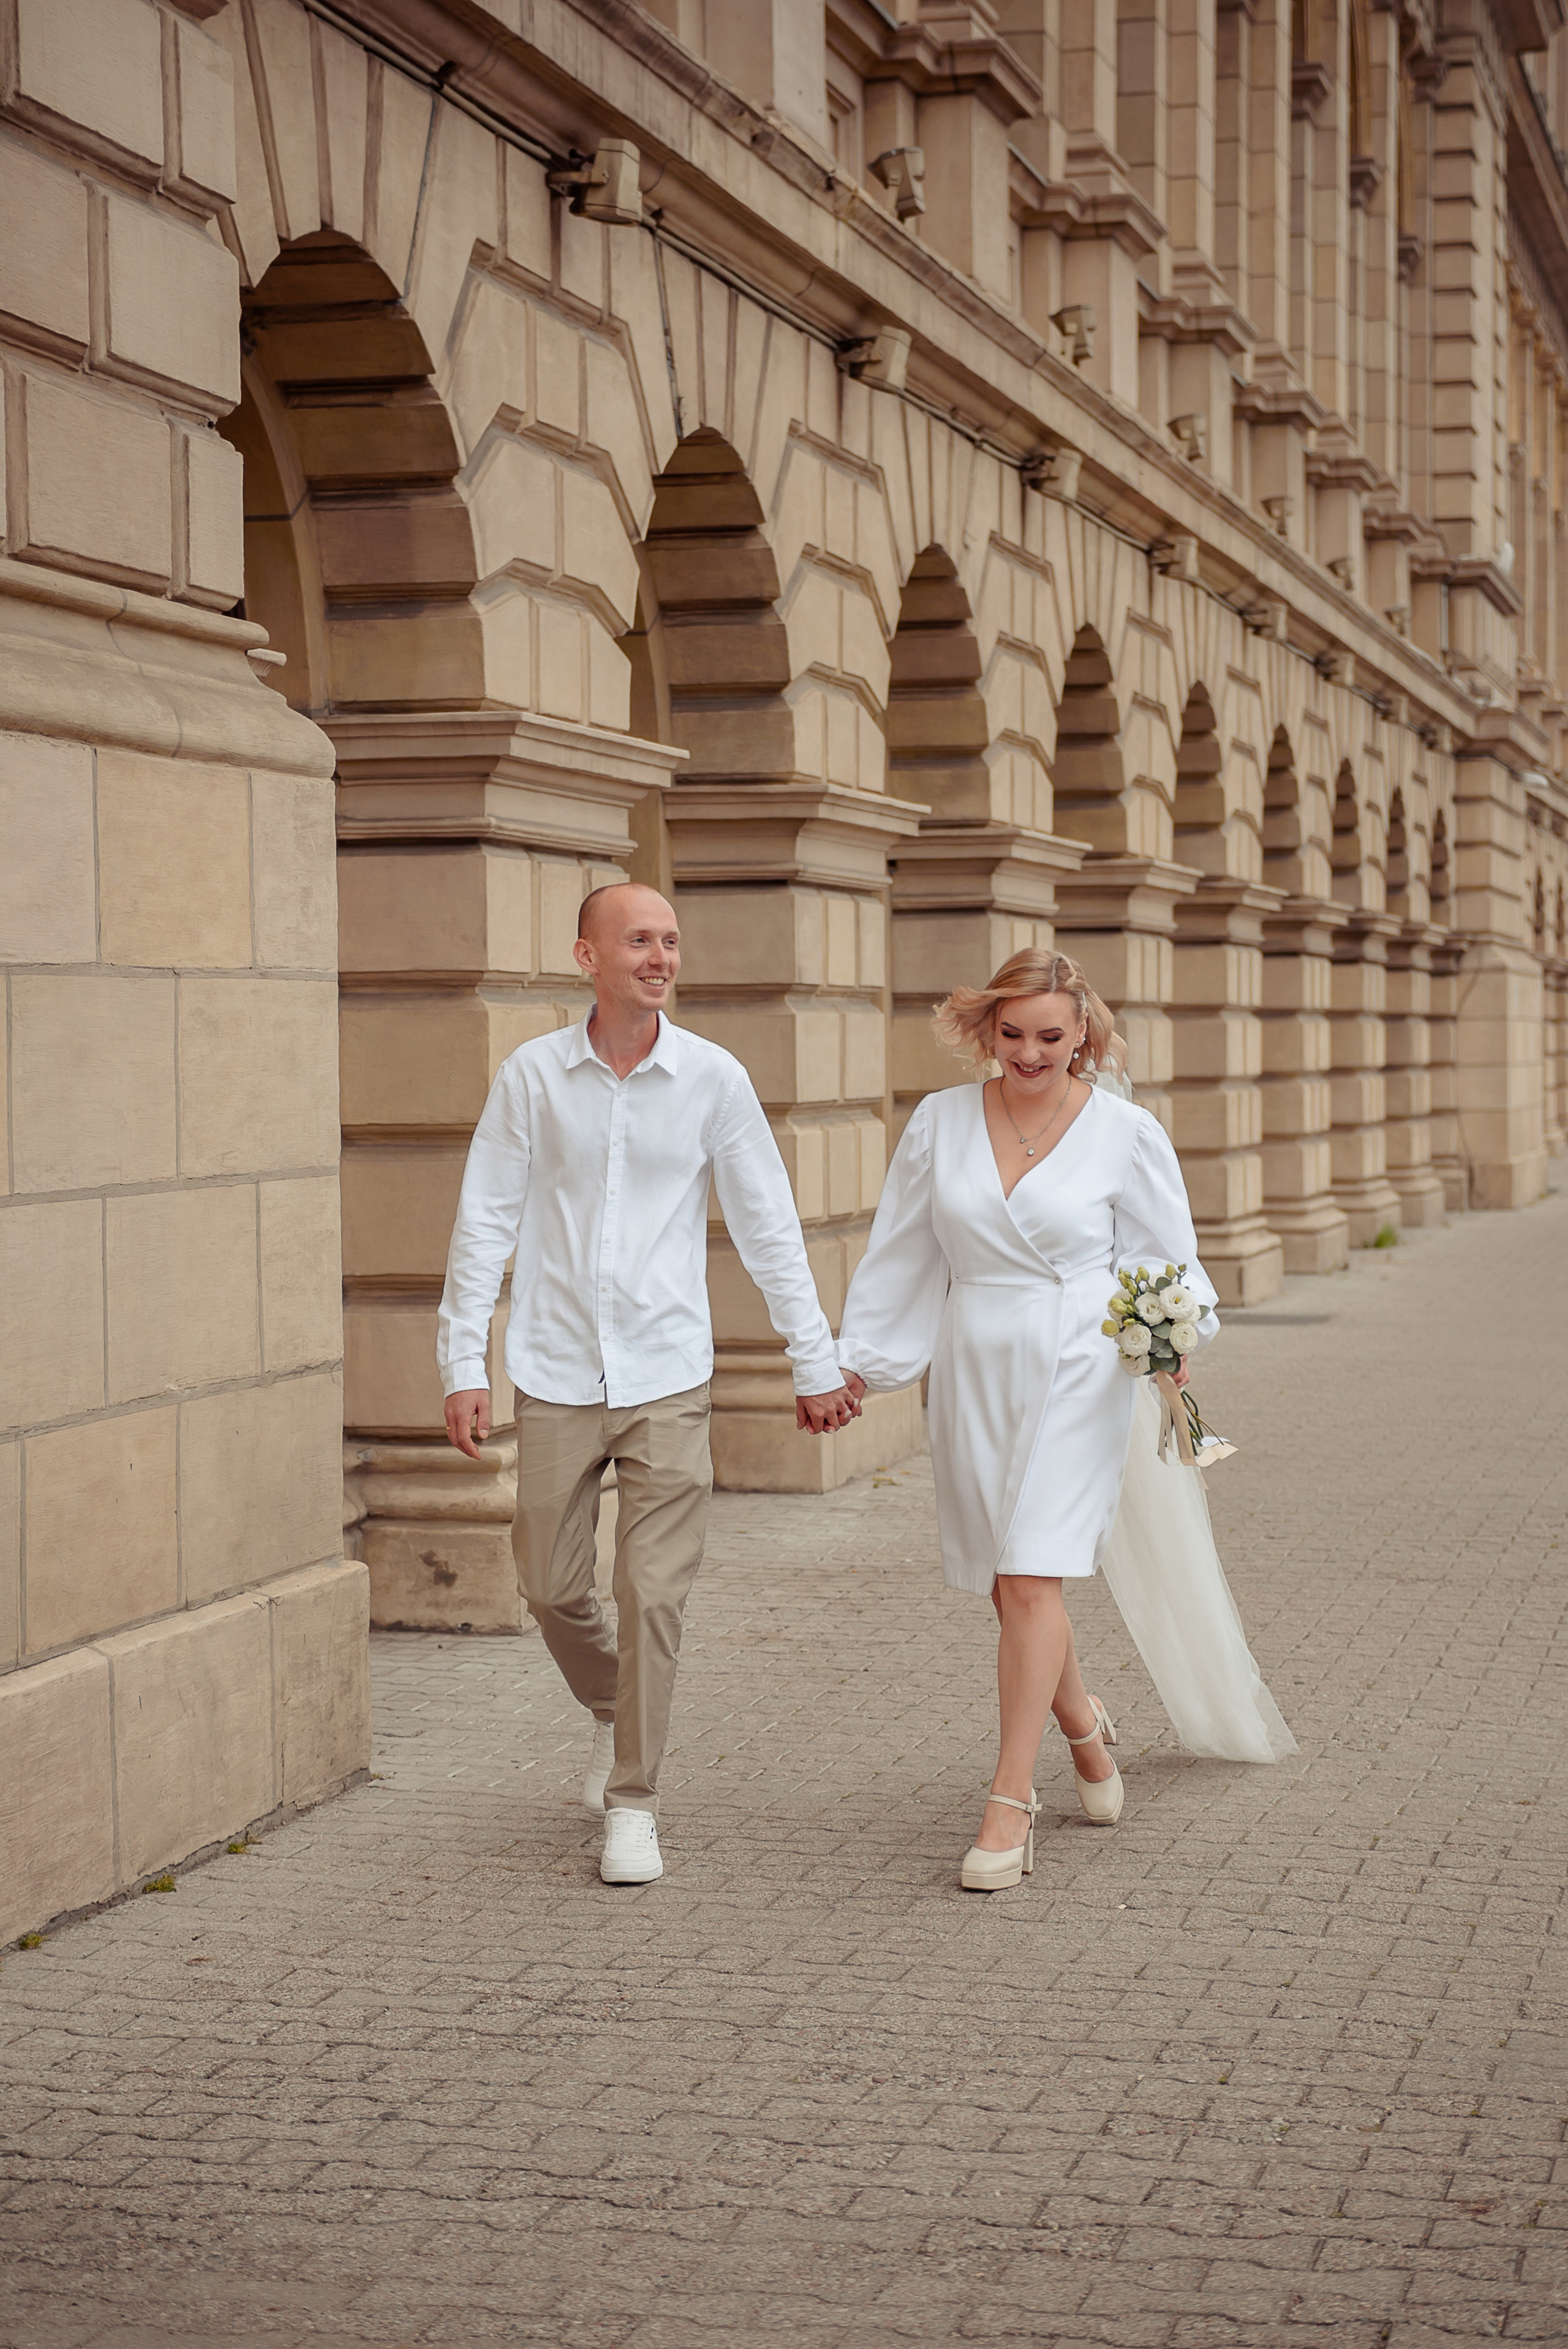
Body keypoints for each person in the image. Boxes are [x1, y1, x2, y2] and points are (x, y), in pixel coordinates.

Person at [836, 947, 1293, 1895]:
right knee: (1013, 1585)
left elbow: (1170, 1263)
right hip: (975, 1361)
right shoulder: (939, 1123)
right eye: (1012, 1035)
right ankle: (1084, 1730)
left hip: (1082, 1365)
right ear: (985, 1030)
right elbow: (903, 1255)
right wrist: (860, 1367)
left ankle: (1010, 1800)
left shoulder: (1127, 1133)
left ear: (1084, 1031)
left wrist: (1169, 1330)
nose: (1031, 1054)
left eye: (1051, 1035)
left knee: (1033, 1569)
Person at [438, 881, 859, 1887]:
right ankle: (614, 1704)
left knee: (653, 1590)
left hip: (669, 1370)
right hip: (555, 1368)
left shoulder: (713, 1079)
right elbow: (483, 1223)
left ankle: (634, 1799)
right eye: (639, 941)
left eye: (671, 941)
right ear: (588, 956)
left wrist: (813, 1355)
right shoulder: (532, 1076)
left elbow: (767, 1225)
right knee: (547, 1581)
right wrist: (464, 1362)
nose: (661, 957)